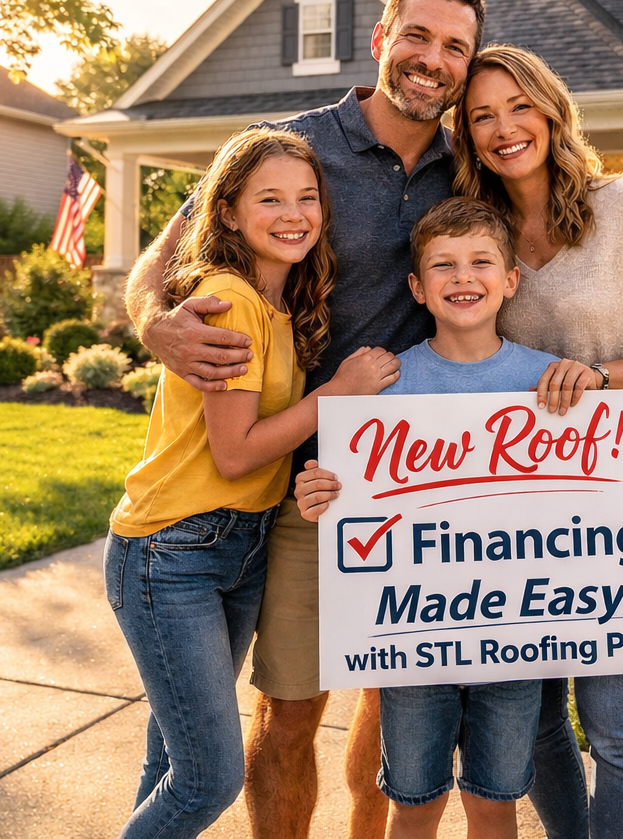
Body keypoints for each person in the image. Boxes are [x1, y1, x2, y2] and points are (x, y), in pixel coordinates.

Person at [123, 0, 623, 839]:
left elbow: (591, 251)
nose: (434, 58)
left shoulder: (470, 174)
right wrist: (155, 321)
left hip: (435, 486)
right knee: (287, 712)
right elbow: (161, 265)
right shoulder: (291, 146)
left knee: (393, 704)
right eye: (419, 36)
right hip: (308, 476)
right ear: (381, 37)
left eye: (455, 48)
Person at [358, 196, 623, 839]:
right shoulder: (386, 392)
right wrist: (324, 493)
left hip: (515, 645)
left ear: (511, 281)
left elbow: (615, 481)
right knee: (413, 798)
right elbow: (354, 505)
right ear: (416, 287)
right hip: (413, 644)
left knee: (497, 794)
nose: (463, 278)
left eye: (482, 262)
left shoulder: (555, 383)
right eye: (444, 266)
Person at [453, 44, 623, 839]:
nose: (504, 128)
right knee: (531, 722)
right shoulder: (472, 228)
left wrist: (600, 377)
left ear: (552, 109)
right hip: (516, 504)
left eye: (519, 106)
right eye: (483, 115)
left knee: (620, 727)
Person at [103, 128, 382, 839]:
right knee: (207, 779)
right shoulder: (229, 300)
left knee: (170, 760)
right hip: (175, 554)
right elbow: (237, 453)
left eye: (307, 198)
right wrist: (340, 393)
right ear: (226, 211)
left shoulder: (277, 300)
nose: (294, 214)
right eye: (270, 199)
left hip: (236, 546)